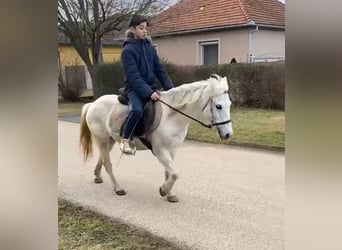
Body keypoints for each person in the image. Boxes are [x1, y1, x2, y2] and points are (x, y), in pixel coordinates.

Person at [120, 15, 174, 154]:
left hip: (150, 87)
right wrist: (149, 93)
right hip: (133, 89)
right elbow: (133, 77)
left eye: (146, 28)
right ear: (133, 29)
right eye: (141, 28)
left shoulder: (150, 47)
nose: (145, 31)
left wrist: (172, 89)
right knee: (137, 110)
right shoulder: (128, 51)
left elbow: (159, 69)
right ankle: (126, 139)